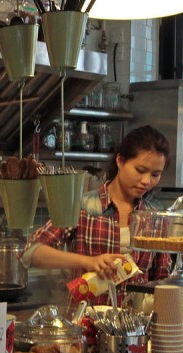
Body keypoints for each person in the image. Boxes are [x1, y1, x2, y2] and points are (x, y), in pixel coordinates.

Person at [21, 125, 173, 293]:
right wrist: (88, 262)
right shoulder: (82, 207)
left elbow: (162, 279)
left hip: (134, 319)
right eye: (140, 170)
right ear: (120, 160)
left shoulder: (156, 219)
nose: (146, 181)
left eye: (155, 175)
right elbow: (30, 253)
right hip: (87, 316)